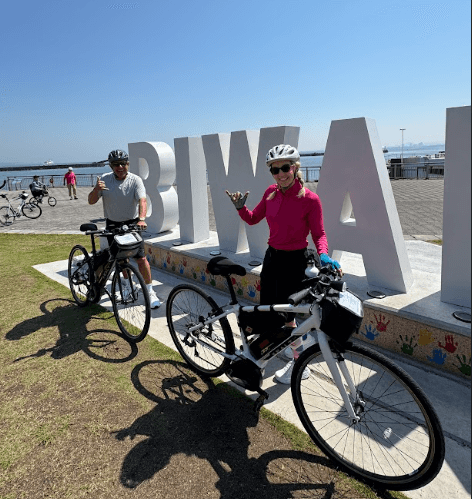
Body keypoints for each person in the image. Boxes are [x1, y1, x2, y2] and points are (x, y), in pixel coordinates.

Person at [226, 144, 341, 384]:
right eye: (275, 170)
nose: (280, 174)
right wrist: (240, 208)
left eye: (285, 168)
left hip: (294, 261)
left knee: (288, 315)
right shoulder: (270, 193)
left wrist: (324, 255)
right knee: (269, 310)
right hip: (272, 259)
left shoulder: (310, 199)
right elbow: (253, 218)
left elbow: (319, 234)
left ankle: (300, 363)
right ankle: (273, 352)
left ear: (295, 167)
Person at [88, 149, 161, 309]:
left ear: (128, 164)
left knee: (141, 258)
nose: (120, 167)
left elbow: (142, 200)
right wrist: (96, 190)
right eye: (115, 164)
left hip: (133, 223)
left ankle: (149, 290)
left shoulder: (135, 180)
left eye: (123, 163)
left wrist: (141, 219)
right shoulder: (105, 180)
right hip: (113, 224)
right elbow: (91, 201)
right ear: (111, 166)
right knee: (121, 260)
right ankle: (128, 285)